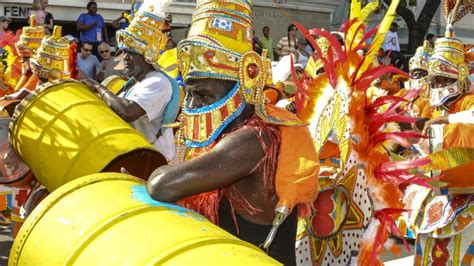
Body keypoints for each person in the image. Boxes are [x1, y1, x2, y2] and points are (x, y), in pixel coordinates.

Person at [146, 1, 319, 265]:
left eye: (203, 95)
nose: (191, 107)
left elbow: (162, 185)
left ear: (245, 85)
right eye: (189, 95)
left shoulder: (253, 139)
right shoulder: (234, 133)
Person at [81, 0, 180, 162]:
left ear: (147, 56)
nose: (125, 58)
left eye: (131, 53)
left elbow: (127, 112)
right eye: (124, 52)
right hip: (137, 158)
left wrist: (97, 86)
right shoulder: (134, 82)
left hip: (156, 163)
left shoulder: (158, 82)